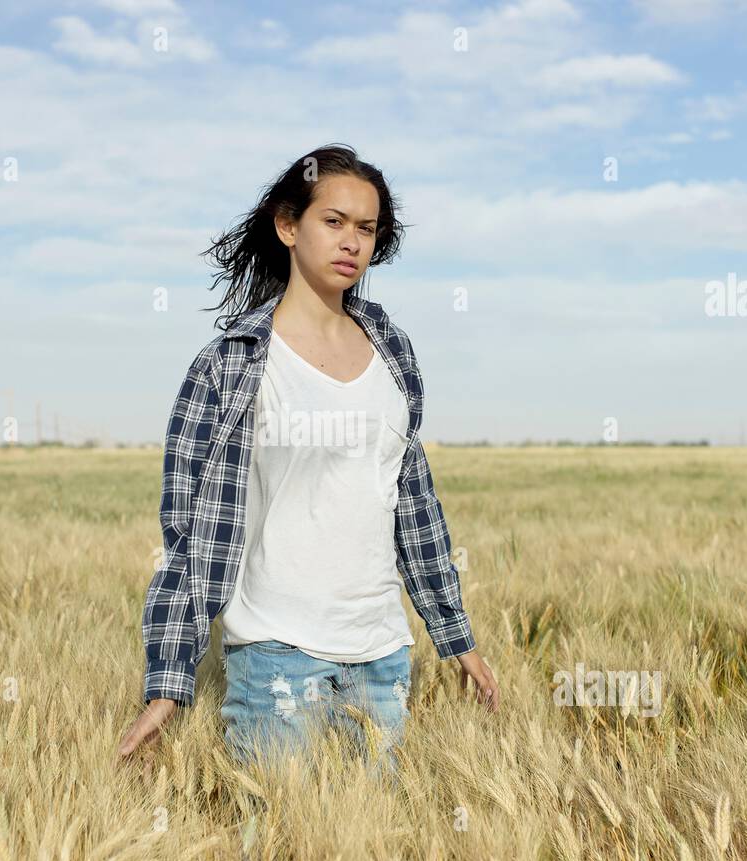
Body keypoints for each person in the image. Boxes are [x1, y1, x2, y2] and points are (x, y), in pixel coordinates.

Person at [117, 143, 499, 776]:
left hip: (383, 658)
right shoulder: (230, 364)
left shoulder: (393, 351)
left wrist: (457, 641)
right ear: (288, 225)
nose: (352, 242)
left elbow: (415, 505)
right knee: (280, 838)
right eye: (334, 221)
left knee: (370, 838)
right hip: (276, 656)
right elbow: (189, 533)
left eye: (368, 229)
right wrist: (168, 680)